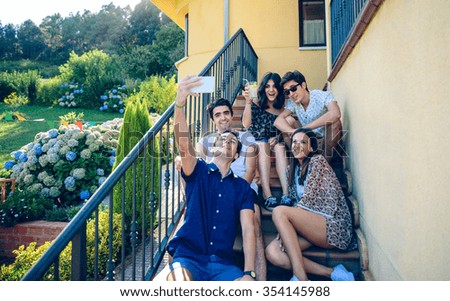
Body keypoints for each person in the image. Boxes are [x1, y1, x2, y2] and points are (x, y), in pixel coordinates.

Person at [165, 75, 256, 281]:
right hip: (188, 258)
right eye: (222, 139)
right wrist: (179, 104)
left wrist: (249, 272)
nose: (227, 141)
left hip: (224, 265)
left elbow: (249, 229)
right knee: (179, 283)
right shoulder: (198, 171)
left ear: (235, 155)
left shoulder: (242, 188)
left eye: (232, 141)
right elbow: (183, 144)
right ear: (213, 147)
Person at [265, 128, 356, 281]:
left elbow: (308, 201)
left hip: (333, 226)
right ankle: (333, 272)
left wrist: (285, 222)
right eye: (294, 142)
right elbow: (296, 203)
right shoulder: (291, 170)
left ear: (312, 147)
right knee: (273, 252)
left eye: (303, 142)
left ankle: (301, 278)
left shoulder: (317, 162)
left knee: (279, 212)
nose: (297, 145)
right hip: (310, 226)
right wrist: (286, 226)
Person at [197, 98, 267, 281]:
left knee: (255, 220)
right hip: (215, 190)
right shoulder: (206, 141)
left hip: (243, 188)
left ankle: (258, 281)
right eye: (217, 115)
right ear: (213, 119)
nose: (223, 118)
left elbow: (251, 171)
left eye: (226, 113)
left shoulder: (245, 138)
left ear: (232, 115)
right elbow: (197, 169)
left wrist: (233, 194)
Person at [241, 72, 294, 210]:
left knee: (280, 148)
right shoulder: (257, 102)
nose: (271, 90)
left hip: (274, 141)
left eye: (274, 86)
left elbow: (286, 126)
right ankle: (267, 194)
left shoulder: (283, 105)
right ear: (263, 88)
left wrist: (278, 138)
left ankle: (286, 194)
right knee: (263, 144)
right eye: (267, 86)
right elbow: (246, 124)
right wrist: (248, 102)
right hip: (257, 141)